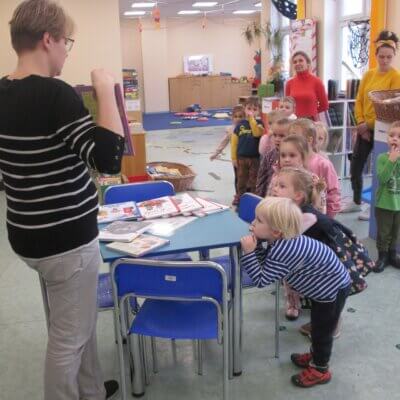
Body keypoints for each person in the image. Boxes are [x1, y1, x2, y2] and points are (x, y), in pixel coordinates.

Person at [0, 1, 124, 399]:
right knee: (68, 340)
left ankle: (90, 390)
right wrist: (106, 92)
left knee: (77, 320)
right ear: (48, 39)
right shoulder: (57, 95)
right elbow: (108, 159)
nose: (67, 52)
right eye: (67, 42)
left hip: (27, 234)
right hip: (66, 241)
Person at [240, 197, 351, 387]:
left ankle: (320, 369)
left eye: (258, 220)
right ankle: (315, 356)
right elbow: (267, 264)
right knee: (317, 326)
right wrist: (257, 245)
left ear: (275, 231)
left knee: (322, 332)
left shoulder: (285, 249)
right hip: (325, 287)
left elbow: (261, 279)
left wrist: (250, 252)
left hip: (332, 290)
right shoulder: (282, 240)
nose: (252, 223)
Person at [272, 167, 374, 337]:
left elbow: (289, 237)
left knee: (331, 291)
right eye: (275, 185)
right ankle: (321, 323)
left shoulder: (306, 214)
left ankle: (332, 325)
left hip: (332, 253)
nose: (274, 188)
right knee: (320, 293)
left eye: (281, 186)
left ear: (298, 195)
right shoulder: (290, 209)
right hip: (317, 255)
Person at [341, 30, 400, 220]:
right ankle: (357, 202)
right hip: (363, 129)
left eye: (388, 57)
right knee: (355, 168)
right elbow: (359, 100)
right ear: (375, 56)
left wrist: (368, 125)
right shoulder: (368, 75)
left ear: (393, 56)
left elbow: (390, 107)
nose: (384, 60)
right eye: (381, 56)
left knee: (380, 170)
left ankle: (374, 206)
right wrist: (360, 123)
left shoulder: (395, 76)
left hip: (384, 131)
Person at [289, 119, 341, 217]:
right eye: (290, 136)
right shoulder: (290, 160)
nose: (291, 140)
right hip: (294, 215)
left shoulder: (323, 164)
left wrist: (329, 217)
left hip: (318, 216)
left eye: (295, 136)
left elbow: (333, 191)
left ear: (309, 140)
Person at [374, 121, 400, 272]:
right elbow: (382, 178)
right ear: (387, 139)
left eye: (399, 136)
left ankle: (392, 254)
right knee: (384, 233)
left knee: (396, 232)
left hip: (398, 204)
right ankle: (382, 256)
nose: (394, 139)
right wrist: (392, 160)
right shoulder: (382, 158)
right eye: (391, 135)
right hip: (384, 204)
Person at [210, 104, 245, 204]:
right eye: (236, 116)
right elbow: (224, 142)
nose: (238, 119)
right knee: (238, 178)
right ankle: (238, 195)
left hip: (248, 158)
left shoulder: (248, 127)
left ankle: (247, 195)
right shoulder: (231, 130)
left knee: (248, 178)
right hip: (236, 159)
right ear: (232, 118)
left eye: (241, 116)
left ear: (245, 117)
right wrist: (216, 153)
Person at [231, 97, 264, 201]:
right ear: (244, 109)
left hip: (255, 158)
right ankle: (240, 197)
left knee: (254, 180)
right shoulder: (240, 125)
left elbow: (256, 133)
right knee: (241, 179)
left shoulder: (260, 123)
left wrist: (252, 120)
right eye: (249, 108)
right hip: (241, 158)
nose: (251, 111)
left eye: (254, 109)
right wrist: (233, 158)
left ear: (259, 111)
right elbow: (234, 143)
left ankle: (253, 198)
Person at [285, 51, 329, 120]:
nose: (297, 63)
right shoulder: (289, 83)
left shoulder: (317, 81)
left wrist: (312, 113)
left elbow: (324, 105)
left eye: (301, 60)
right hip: (294, 122)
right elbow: (287, 104)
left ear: (308, 63)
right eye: (295, 62)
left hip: (311, 121)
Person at [256, 117, 290, 197]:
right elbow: (261, 179)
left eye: (282, 136)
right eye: (275, 135)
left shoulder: (294, 156)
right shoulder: (269, 156)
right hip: (269, 197)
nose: (277, 139)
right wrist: (259, 197)